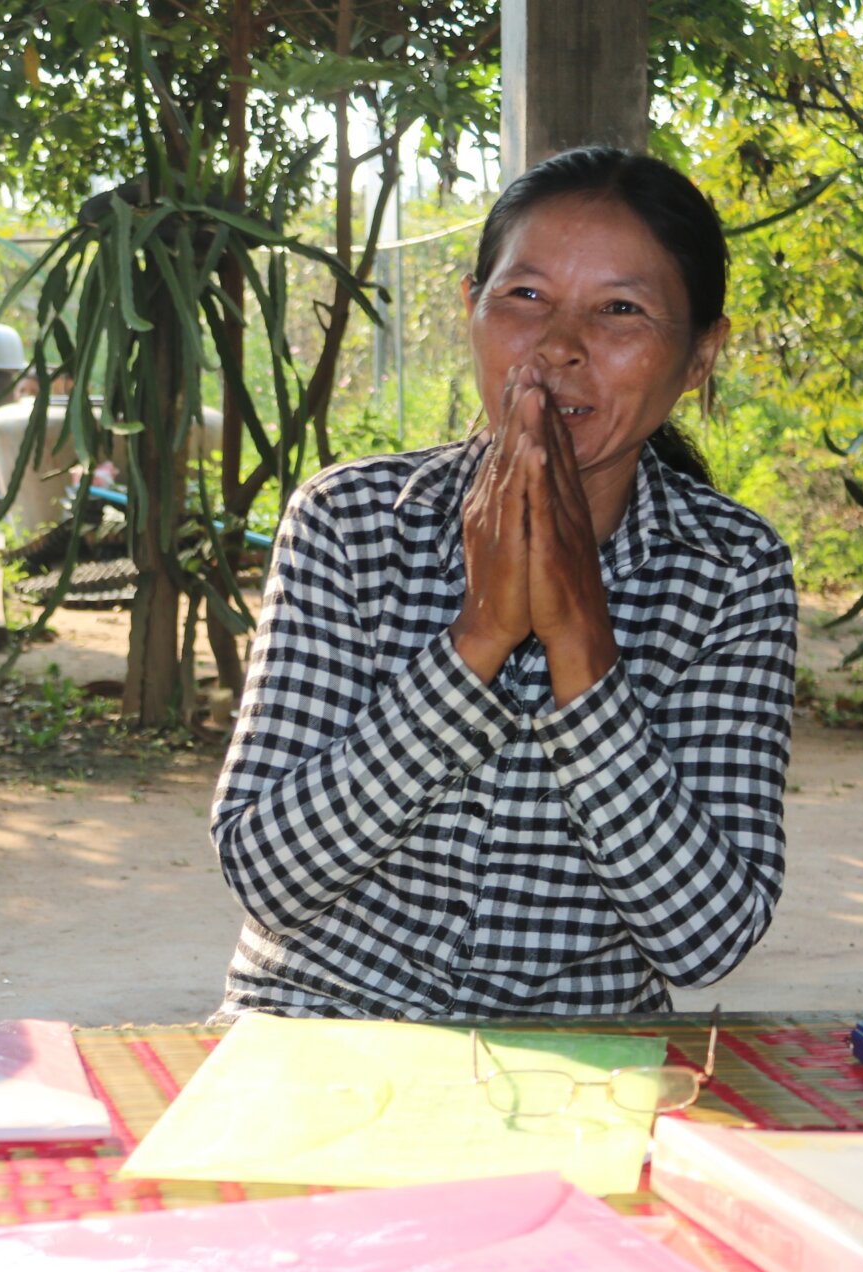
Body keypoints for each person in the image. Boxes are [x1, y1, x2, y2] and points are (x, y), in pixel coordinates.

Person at [213, 146, 795, 1020]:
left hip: (583, 1059)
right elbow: (267, 873)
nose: (559, 346)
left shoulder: (732, 571)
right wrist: (477, 638)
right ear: (472, 310)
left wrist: (582, 648)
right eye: (525, 297)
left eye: (621, 310)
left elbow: (705, 937)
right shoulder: (351, 520)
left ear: (701, 354)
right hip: (315, 1032)